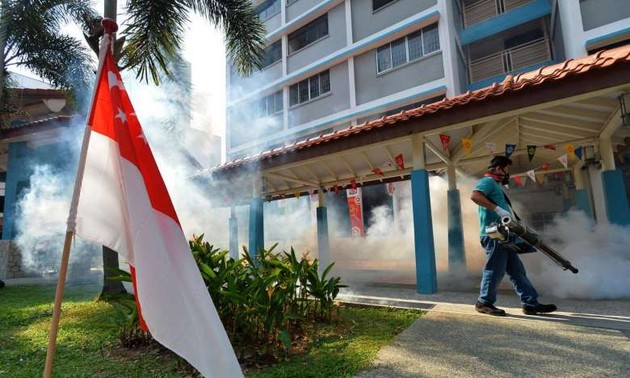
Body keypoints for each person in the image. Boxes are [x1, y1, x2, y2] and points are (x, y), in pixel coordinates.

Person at [470, 155, 557, 316]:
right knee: (495, 270)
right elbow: (475, 196)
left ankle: (530, 303)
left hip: (504, 235)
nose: (507, 173)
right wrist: (496, 209)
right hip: (494, 236)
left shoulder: (495, 185)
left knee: (517, 271)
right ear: (498, 169)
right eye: (507, 169)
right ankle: (483, 303)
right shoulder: (488, 182)